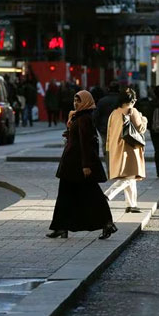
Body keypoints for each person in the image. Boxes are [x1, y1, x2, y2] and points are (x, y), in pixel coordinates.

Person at [48, 90, 116, 239]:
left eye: (78, 101)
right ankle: (61, 227)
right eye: (74, 100)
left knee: (92, 195)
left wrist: (86, 165)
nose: (75, 103)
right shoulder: (78, 117)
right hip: (72, 164)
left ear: (86, 101)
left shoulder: (84, 118)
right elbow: (76, 138)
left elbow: (86, 144)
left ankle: (107, 223)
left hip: (77, 165)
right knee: (67, 196)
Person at [105, 87, 147, 214]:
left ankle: (131, 204)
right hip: (129, 149)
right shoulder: (132, 111)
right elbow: (140, 128)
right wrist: (144, 119)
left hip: (116, 147)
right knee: (128, 177)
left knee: (131, 175)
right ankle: (106, 196)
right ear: (133, 100)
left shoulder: (114, 112)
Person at [93, 82, 120, 167]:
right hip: (118, 128)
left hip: (104, 128)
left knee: (106, 148)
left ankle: (109, 168)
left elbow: (96, 116)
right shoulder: (122, 101)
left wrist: (97, 127)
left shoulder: (102, 101)